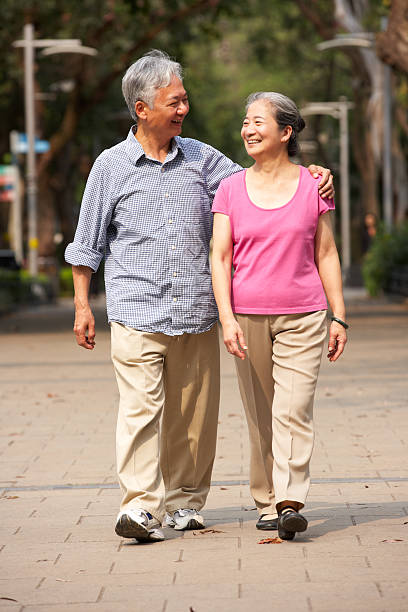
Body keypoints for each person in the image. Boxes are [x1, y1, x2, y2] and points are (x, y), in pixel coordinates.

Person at [65, 52, 334, 544]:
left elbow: (261, 181)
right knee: (139, 411)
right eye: (175, 101)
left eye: (184, 99)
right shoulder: (110, 166)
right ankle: (141, 507)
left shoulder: (204, 159)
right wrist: (83, 304)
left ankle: (185, 502)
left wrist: (311, 174)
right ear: (142, 108)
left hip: (196, 311)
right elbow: (88, 242)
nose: (184, 108)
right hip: (135, 310)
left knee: (193, 417)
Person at [211, 92, 347, 541]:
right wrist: (226, 318)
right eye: (245, 122)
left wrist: (338, 316)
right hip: (247, 316)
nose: (248, 130)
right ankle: (266, 498)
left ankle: (290, 500)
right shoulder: (230, 187)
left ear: (285, 132)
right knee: (260, 414)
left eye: (257, 122)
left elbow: (325, 252)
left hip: (304, 315)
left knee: (293, 409)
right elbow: (221, 256)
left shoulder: (313, 185)